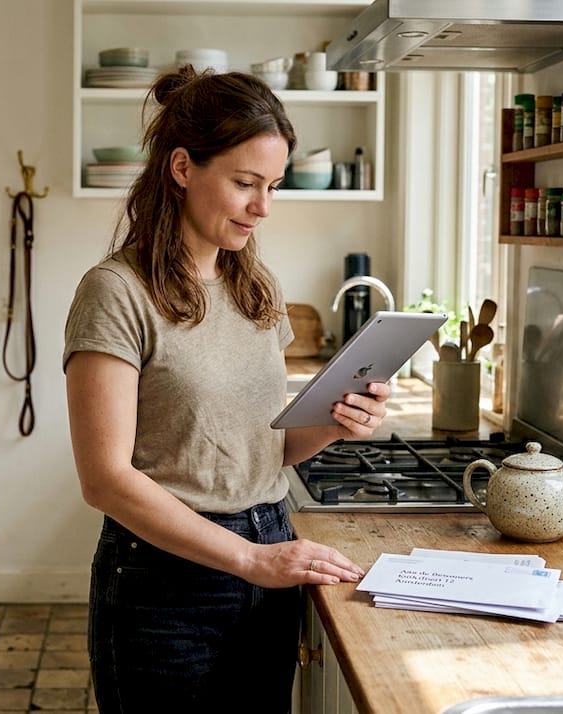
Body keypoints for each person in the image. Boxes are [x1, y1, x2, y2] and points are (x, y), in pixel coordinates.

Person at [63, 67, 391, 714]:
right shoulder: (116, 292)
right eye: (245, 183)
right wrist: (248, 560)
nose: (263, 206)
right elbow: (103, 479)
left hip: (269, 549)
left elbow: (269, 447)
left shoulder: (254, 287)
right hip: (165, 579)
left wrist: (335, 420)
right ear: (183, 168)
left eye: (272, 186)